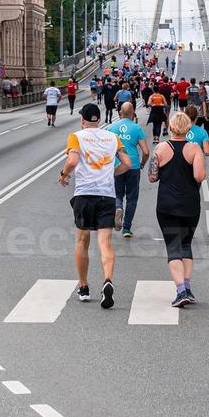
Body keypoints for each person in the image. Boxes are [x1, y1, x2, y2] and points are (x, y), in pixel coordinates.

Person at [59, 103, 131, 307]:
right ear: (98, 120)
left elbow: (72, 161)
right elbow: (126, 163)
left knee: (82, 241)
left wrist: (63, 175)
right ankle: (107, 280)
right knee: (105, 243)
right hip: (106, 195)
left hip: (84, 194)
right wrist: (110, 174)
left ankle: (83, 287)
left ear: (83, 120)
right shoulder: (112, 137)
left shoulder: (76, 137)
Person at [149, 112, 207, 308]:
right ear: (188, 129)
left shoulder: (161, 148)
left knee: (173, 246)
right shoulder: (195, 149)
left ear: (171, 127)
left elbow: (152, 177)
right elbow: (200, 176)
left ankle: (180, 290)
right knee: (186, 245)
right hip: (190, 204)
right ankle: (188, 288)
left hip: (166, 205)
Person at [107, 102, 149, 237]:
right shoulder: (137, 128)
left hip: (117, 165)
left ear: (120, 112)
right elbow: (146, 151)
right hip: (133, 165)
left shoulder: (111, 127)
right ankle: (126, 228)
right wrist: (142, 163)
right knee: (132, 198)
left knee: (117, 194)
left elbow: (106, 149)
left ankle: (118, 207)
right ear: (133, 113)